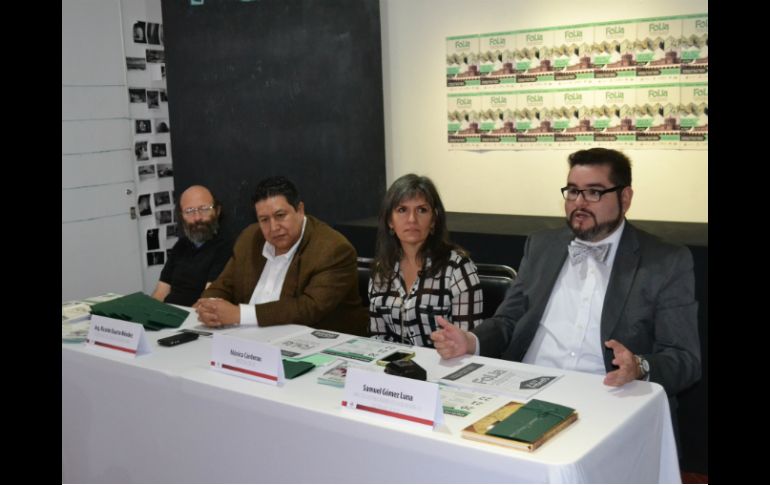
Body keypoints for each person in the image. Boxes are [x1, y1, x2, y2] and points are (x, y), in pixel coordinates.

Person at [432, 148, 700, 403]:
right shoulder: (541, 246)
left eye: (593, 192)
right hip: (525, 388)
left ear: (625, 198)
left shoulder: (664, 261)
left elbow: (684, 360)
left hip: (608, 396)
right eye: (573, 191)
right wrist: (471, 340)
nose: (579, 203)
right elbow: (508, 320)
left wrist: (639, 367)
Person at [194, 176, 367, 335]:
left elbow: (308, 309)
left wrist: (240, 314)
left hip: (315, 343)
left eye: (280, 216)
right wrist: (208, 306)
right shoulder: (250, 238)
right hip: (246, 338)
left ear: (300, 210)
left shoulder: (333, 249)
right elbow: (224, 284)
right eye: (264, 220)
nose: (274, 227)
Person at [368, 174, 483, 348]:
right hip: (392, 362)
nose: (412, 219)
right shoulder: (381, 270)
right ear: (390, 221)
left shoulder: (458, 268)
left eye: (421, 210)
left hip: (445, 361)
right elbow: (377, 337)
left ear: (434, 220)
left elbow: (468, 342)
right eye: (402, 210)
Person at [151, 185, 232, 306]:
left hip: (194, 315)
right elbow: (160, 292)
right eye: (189, 211)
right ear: (181, 216)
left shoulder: (226, 248)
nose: (197, 218)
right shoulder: (180, 246)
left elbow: (209, 301)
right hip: (168, 312)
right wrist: (148, 313)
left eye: (204, 209)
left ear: (217, 211)